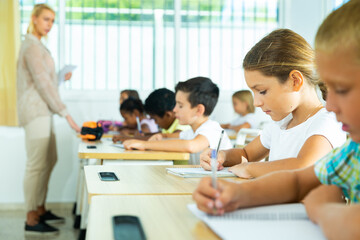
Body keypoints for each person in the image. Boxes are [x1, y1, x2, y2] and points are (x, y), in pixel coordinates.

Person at [193, 1, 360, 239]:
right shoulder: (353, 152)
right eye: (329, 89)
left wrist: (322, 211)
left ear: (295, 81)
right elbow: (298, 182)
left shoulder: (325, 122)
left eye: (341, 89)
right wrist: (239, 195)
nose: (330, 105)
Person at [200, 29, 346, 179]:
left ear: (295, 81)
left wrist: (251, 169)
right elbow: (246, 154)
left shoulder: (327, 122)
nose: (256, 103)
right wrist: (222, 155)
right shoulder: (282, 124)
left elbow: (303, 166)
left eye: (262, 91)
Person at [16, 3, 80, 235]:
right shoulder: (31, 47)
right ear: (33, 19)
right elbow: (43, 86)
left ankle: (40, 209)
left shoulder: (39, 46)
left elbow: (45, 82)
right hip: (35, 112)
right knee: (36, 165)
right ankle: (31, 218)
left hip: (43, 111)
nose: (49, 25)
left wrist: (60, 78)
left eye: (52, 21)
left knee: (49, 159)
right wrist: (68, 115)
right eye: (46, 19)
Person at [123, 77, 233, 164]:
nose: (174, 109)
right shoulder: (191, 132)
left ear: (198, 110)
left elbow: (191, 146)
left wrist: (144, 144)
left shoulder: (212, 129)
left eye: (180, 106)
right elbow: (167, 137)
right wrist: (160, 137)